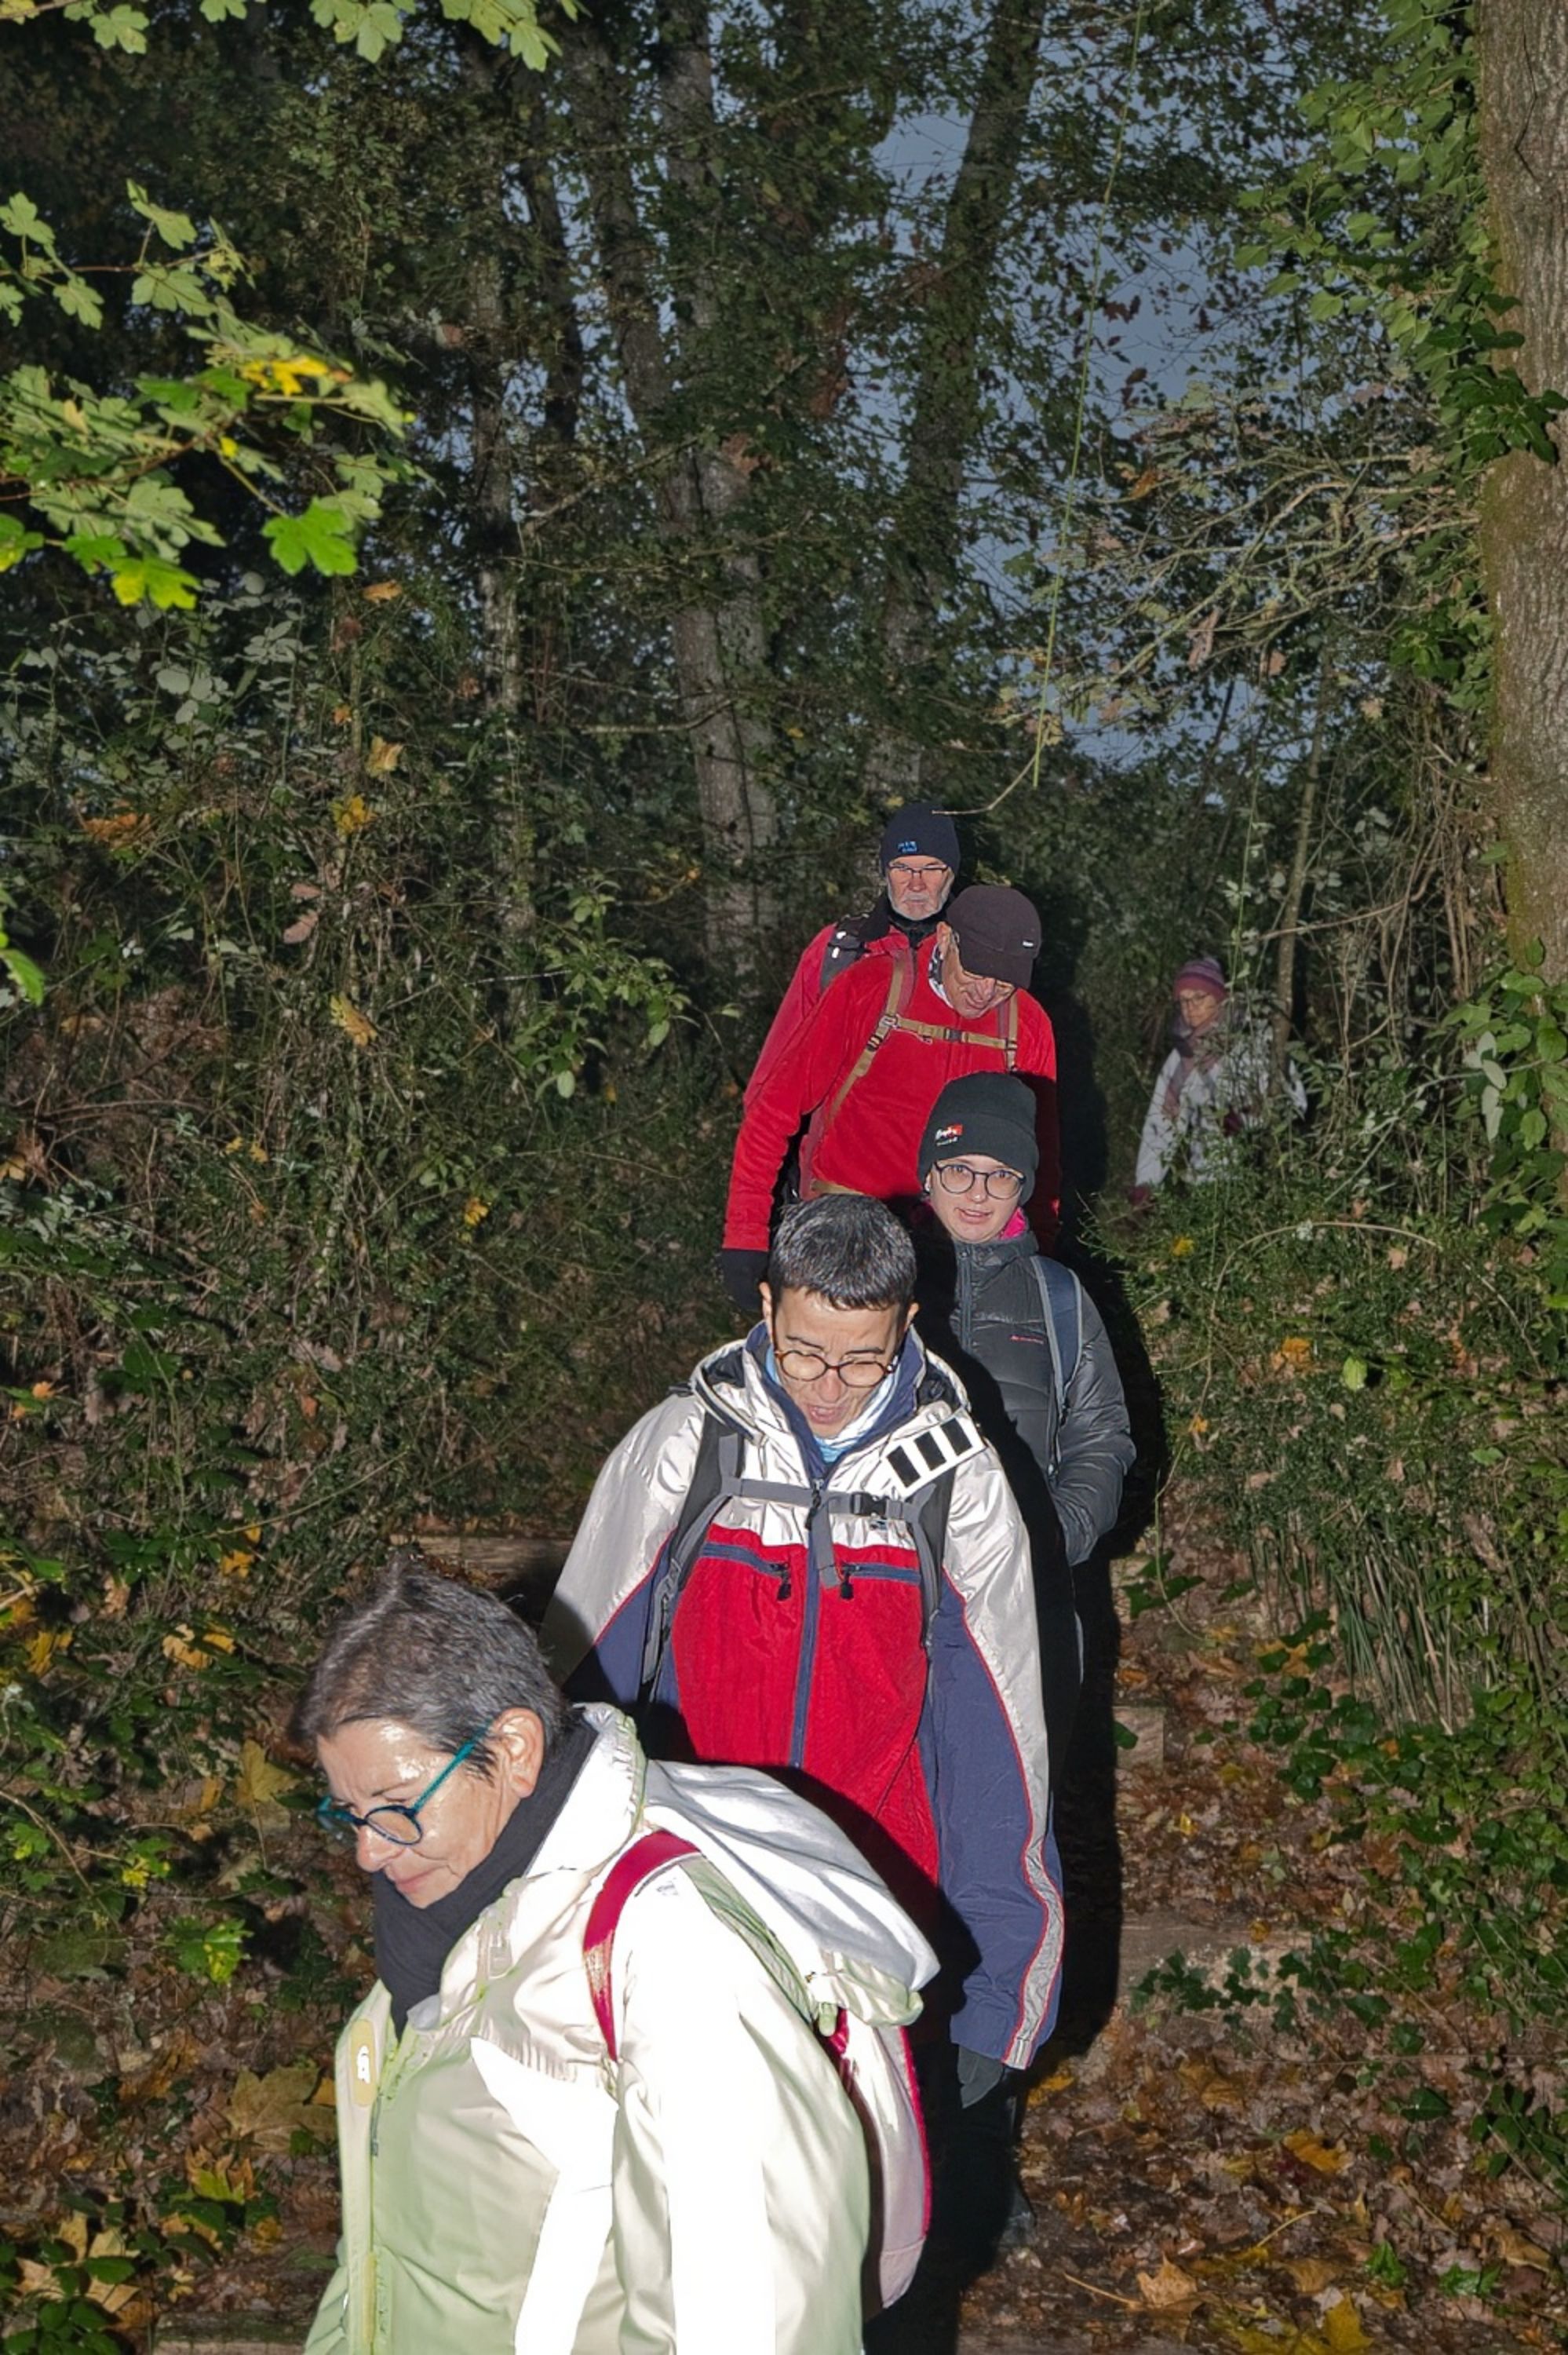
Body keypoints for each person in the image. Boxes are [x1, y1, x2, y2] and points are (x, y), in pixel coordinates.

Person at [297, 1555, 937, 2355]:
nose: (368, 1851)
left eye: (394, 1807)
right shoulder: (444, 1921)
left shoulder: (675, 1952)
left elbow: (746, 2316)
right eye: (347, 1812)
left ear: (516, 1748)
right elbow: (383, 2252)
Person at [544, 1196, 1063, 2153]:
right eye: (803, 1353)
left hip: (873, 1902)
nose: (829, 1388)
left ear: (908, 1324)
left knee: (846, 2187)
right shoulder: (685, 1447)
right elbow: (581, 1689)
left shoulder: (958, 1485)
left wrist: (999, 1990)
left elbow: (998, 1746)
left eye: (863, 1360)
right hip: (693, 1892)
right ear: (767, 1307)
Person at [913, 1072, 1135, 1773]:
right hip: (890, 1587)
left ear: (1023, 1186)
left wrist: (1054, 1534)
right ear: (928, 1173)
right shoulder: (879, 1283)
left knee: (1006, 1795)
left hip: (1021, 1599)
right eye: (959, 1169)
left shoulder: (1059, 1296)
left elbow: (1103, 1436)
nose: (977, 1193)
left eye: (1000, 1175)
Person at [720, 883, 1059, 1316]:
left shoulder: (1026, 1026)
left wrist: (1042, 1252)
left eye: (1004, 982)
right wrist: (746, 1237)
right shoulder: (870, 988)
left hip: (962, 1251)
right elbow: (772, 1112)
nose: (986, 992)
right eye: (975, 972)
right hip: (846, 1234)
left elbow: (1041, 1154)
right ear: (946, 938)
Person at [746, 801, 961, 1103]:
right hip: (839, 1128)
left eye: (931, 868)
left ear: (951, 873)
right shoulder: (840, 949)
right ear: (885, 871)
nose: (916, 883)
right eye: (902, 868)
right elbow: (778, 1067)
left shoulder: (978, 954)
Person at [1132, 956, 1307, 1200]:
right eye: (1184, 1000)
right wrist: (1146, 1183)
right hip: (1206, 1187)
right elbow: (1161, 1123)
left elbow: (1296, 1103)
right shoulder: (1181, 1059)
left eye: (1199, 997)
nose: (1190, 1007)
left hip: (1264, 1182)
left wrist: (1247, 1121)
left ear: (1219, 997)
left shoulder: (1258, 1041)